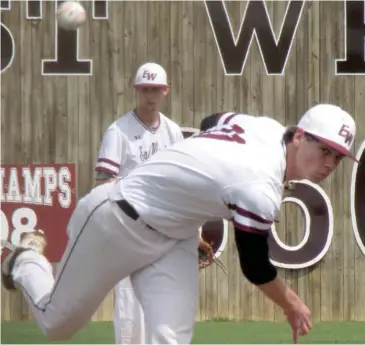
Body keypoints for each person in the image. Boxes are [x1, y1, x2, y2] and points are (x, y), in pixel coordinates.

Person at [2, 104, 357, 344]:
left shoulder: (263, 127)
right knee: (57, 324)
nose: (330, 162)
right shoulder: (258, 183)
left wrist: (186, 189)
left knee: (169, 339)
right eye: (324, 149)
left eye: (338, 157)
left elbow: (212, 120)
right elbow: (255, 267)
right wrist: (291, 303)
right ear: (298, 136)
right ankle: (23, 260)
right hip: (117, 221)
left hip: (174, 238)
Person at [91, 61, 183, 345]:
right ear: (136, 90)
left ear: (165, 91)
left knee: (164, 307)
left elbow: (181, 182)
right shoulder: (118, 131)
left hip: (164, 233)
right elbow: (105, 182)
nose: (150, 95)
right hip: (128, 230)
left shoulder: (173, 132)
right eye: (145, 89)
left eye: (155, 89)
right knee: (129, 307)